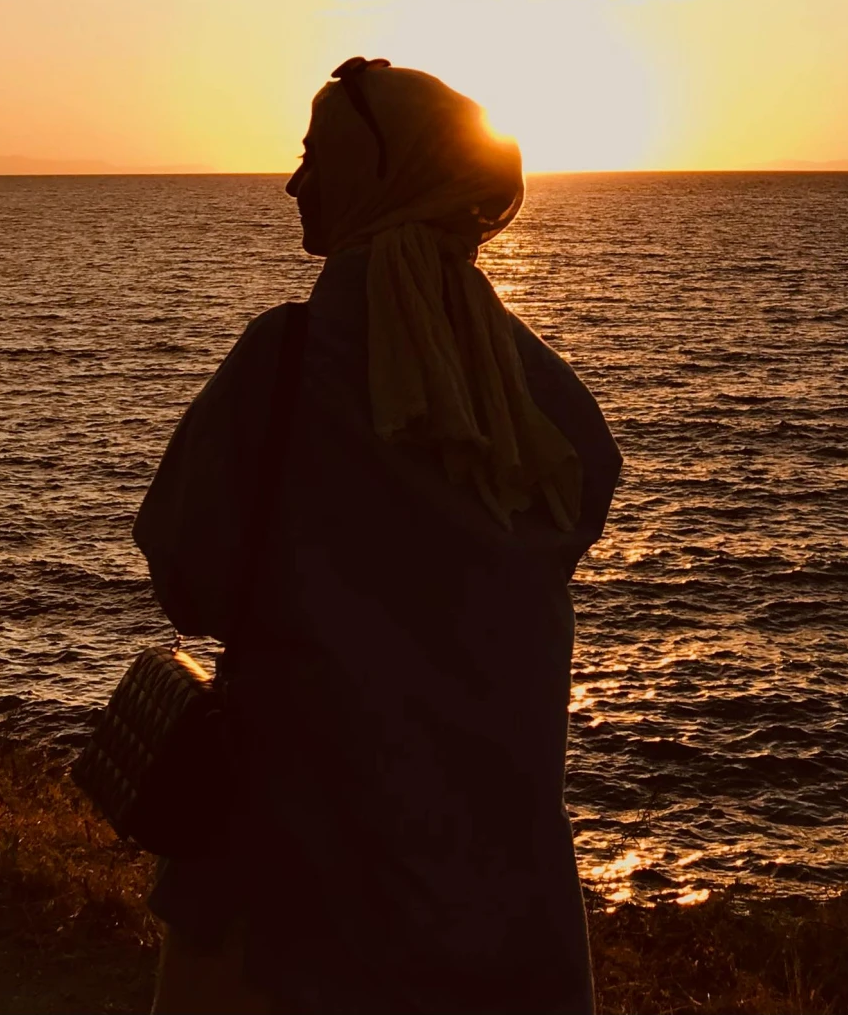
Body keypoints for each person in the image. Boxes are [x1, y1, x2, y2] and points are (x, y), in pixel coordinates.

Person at [133, 58, 622, 1015]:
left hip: (290, 867)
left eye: (318, 155)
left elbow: (187, 581)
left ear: (379, 174)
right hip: (490, 871)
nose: (294, 181)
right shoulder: (543, 397)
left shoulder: (281, 365)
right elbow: (573, 518)